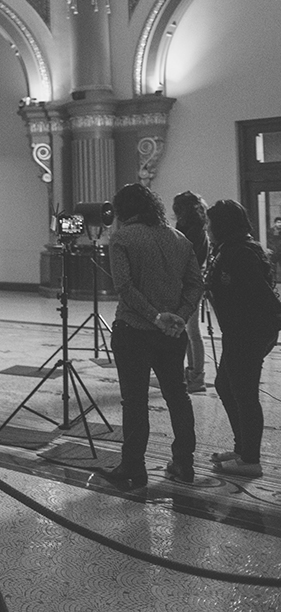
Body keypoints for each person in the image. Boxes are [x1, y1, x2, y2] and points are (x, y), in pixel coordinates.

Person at [103, 183, 203, 488]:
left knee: (135, 401)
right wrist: (180, 316)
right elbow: (196, 285)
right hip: (172, 335)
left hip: (133, 330)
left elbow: (124, 287)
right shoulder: (179, 238)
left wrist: (154, 316)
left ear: (122, 210)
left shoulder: (121, 238)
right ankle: (184, 464)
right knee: (178, 396)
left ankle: (133, 467)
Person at [204, 200, 281, 478]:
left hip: (248, 332)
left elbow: (260, 295)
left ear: (222, 225)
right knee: (225, 385)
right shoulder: (233, 248)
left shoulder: (240, 253)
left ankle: (251, 459)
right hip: (240, 330)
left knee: (244, 393)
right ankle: (242, 448)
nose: (207, 229)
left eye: (210, 224)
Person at [172, 191, 210, 393]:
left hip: (191, 283)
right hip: (188, 281)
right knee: (187, 330)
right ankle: (192, 372)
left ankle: (197, 377)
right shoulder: (193, 228)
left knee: (193, 331)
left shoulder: (193, 231)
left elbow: (187, 257)